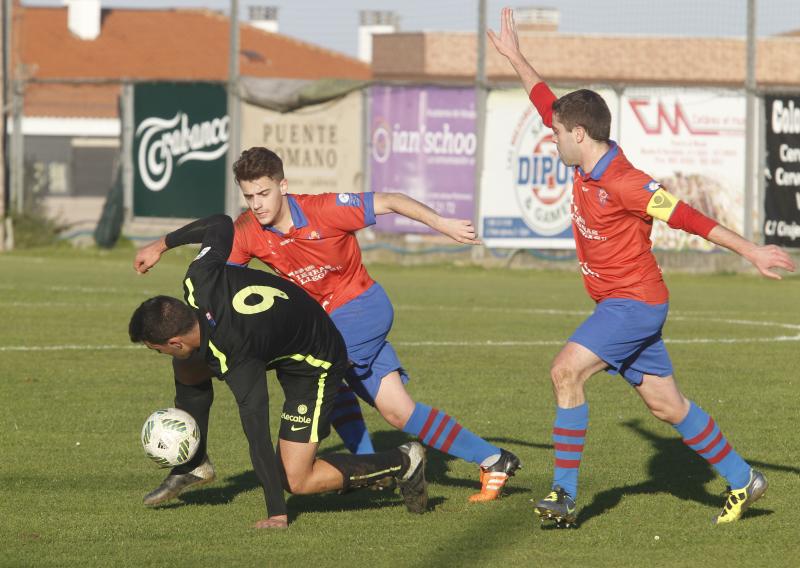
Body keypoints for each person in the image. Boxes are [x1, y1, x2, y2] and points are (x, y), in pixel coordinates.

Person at [488, 7, 796, 526]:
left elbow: (689, 217)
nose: (552, 138)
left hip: (635, 304)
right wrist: (516, 56)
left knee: (565, 372)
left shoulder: (627, 182)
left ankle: (563, 495)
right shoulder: (584, 154)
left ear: (580, 135)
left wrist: (752, 251)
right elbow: (546, 99)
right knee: (666, 405)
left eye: (558, 134)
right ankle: (746, 478)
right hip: (622, 303)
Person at [135, 147, 522, 503]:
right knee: (398, 411)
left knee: (314, 370)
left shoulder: (324, 209)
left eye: (264, 193)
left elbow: (389, 200)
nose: (257, 204)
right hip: (322, 321)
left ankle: (372, 465)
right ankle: (493, 459)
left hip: (362, 307)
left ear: (282, 186)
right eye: (249, 196)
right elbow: (221, 282)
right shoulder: (249, 231)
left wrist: (441, 223)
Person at [129, 214, 428, 529]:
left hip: (317, 362)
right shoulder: (197, 279)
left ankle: (402, 460)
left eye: (156, 348)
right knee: (189, 362)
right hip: (281, 330)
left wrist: (277, 512)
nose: (159, 354)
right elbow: (220, 223)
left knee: (296, 479)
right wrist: (161, 244)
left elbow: (257, 434)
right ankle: (194, 464)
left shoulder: (239, 358)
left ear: (174, 340)